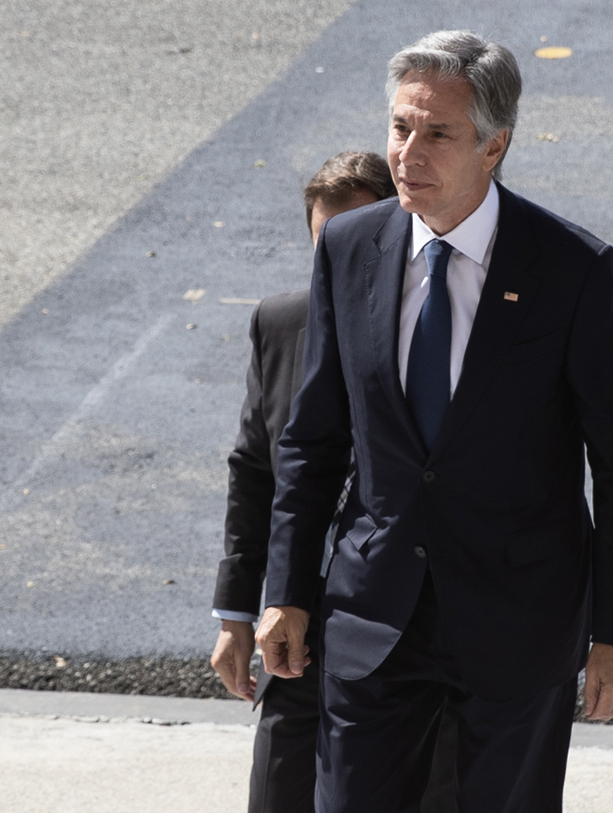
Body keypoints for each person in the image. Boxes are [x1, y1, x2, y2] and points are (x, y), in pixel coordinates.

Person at [254, 30, 613, 813]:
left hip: (519, 624)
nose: (409, 152)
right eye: (401, 127)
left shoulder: (572, 269)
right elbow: (313, 438)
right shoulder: (348, 246)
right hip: (373, 613)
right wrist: (286, 590)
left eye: (437, 132)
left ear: (494, 144)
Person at [209, 151, 396, 813]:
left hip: (401, 628)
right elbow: (256, 470)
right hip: (299, 625)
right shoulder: (280, 323)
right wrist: (236, 613)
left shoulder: (432, 330)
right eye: (327, 245)